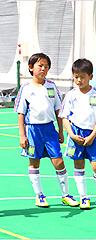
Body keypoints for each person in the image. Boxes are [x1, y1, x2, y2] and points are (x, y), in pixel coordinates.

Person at [14, 52, 79, 208]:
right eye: (40, 66)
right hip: (32, 130)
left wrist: (61, 131)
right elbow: (21, 113)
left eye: (46, 67)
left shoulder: (51, 86)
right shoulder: (26, 88)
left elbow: (59, 110)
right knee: (34, 163)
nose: (43, 69)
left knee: (59, 161)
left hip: (50, 130)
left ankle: (66, 195)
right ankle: (40, 196)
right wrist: (22, 135)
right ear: (31, 68)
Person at [59, 58, 96, 210]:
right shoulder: (71, 95)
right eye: (76, 77)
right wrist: (72, 135)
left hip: (93, 134)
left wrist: (93, 135)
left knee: (95, 167)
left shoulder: (95, 94)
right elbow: (65, 117)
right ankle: (84, 198)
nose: (79, 80)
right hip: (76, 135)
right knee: (78, 165)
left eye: (82, 77)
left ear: (91, 77)